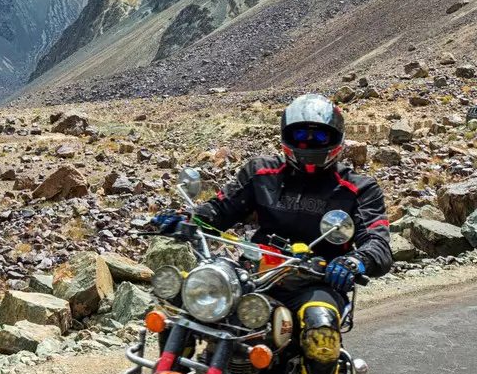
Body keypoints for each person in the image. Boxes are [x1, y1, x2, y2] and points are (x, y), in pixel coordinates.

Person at [151, 91, 391, 338]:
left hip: (316, 283)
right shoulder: (261, 172)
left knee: (320, 332)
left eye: (319, 135)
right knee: (183, 308)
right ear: (286, 136)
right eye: (299, 134)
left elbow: (377, 243)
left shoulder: (359, 188)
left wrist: (353, 262)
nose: (308, 141)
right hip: (254, 275)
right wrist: (186, 217)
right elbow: (221, 210)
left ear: (335, 138)